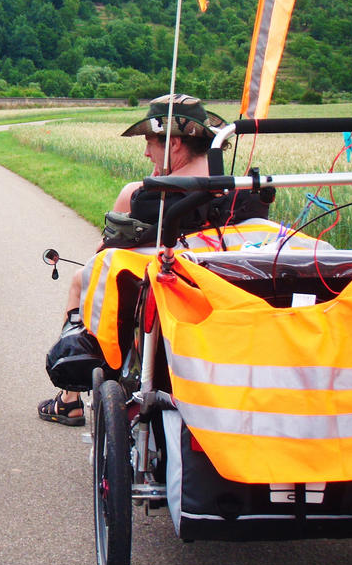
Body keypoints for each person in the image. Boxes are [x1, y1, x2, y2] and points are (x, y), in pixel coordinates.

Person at [38, 94, 233, 426]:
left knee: (79, 279)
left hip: (166, 284)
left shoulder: (139, 193)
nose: (146, 152)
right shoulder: (233, 189)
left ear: (172, 144)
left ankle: (70, 399)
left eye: (150, 142)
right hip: (219, 284)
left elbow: (105, 253)